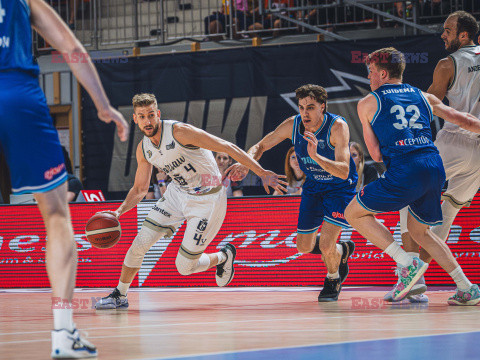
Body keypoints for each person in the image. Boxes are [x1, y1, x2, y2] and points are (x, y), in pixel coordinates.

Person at [0, 0, 129, 358]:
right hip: (17, 96)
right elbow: (71, 49)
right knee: (56, 214)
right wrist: (103, 106)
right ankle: (62, 331)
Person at [95, 93, 285, 310]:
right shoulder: (144, 149)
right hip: (177, 194)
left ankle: (223, 256)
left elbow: (225, 146)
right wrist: (118, 212)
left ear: (157, 114)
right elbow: (139, 189)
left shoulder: (180, 132)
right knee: (140, 243)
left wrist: (260, 172)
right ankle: (120, 294)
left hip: (208, 199)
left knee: (184, 267)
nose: (147, 121)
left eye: (150, 115)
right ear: (135, 120)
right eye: (141, 116)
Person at [344, 47, 480, 305]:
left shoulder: (368, 102)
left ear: (383, 73)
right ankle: (466, 287)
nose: (369, 78)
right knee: (422, 232)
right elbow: (464, 120)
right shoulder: (423, 96)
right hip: (434, 165)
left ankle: (406, 263)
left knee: (354, 213)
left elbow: (376, 154)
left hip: (406, 169)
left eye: (371, 72)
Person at [228, 84, 357, 302]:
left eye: (311, 107)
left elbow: (344, 171)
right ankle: (341, 251)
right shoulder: (293, 125)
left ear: (322, 107)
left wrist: (316, 157)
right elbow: (260, 146)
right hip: (314, 187)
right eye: (301, 107)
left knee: (325, 244)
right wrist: (247, 163)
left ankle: (333, 277)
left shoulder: (337, 127)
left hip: (339, 188)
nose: (305, 113)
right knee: (303, 246)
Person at [387, 11, 480, 303]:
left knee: (406, 197)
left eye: (448, 30)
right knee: (448, 213)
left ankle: (412, 277)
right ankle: (462, 287)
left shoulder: (447, 63)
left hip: (454, 141)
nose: (443, 34)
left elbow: (425, 109)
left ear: (464, 35)